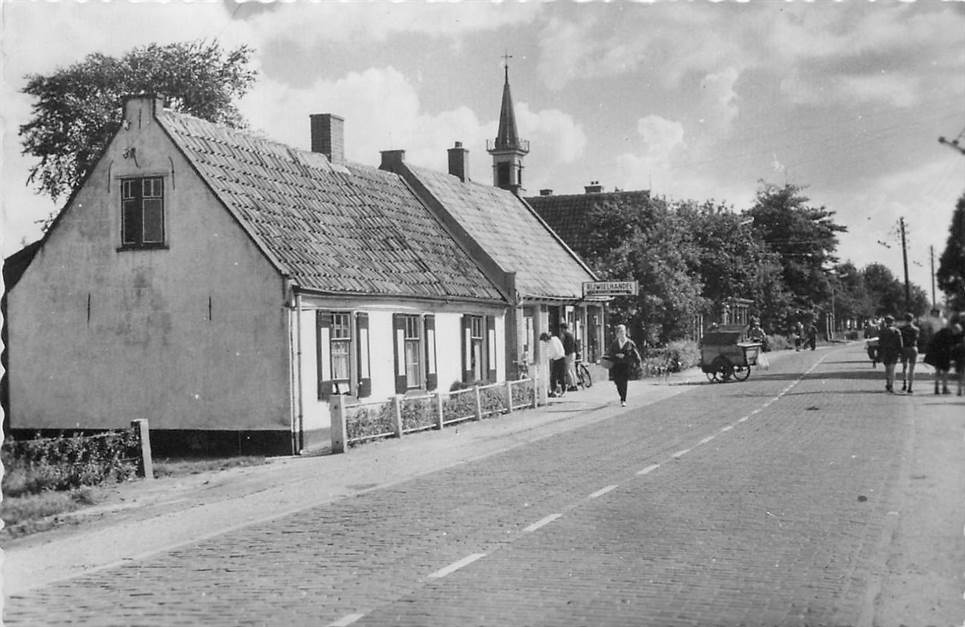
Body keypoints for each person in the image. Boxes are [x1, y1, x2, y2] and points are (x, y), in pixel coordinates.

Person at [606, 324, 640, 407]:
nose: (622, 334)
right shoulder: (614, 343)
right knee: (617, 382)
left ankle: (623, 399)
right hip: (616, 365)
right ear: (617, 334)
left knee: (624, 382)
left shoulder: (629, 343)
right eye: (620, 332)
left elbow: (635, 355)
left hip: (625, 365)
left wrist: (638, 364)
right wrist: (615, 355)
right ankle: (621, 395)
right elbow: (610, 353)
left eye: (623, 331)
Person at [924, 318, 957, 395]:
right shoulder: (950, 333)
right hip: (946, 355)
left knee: (937, 371)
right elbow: (952, 345)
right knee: (945, 372)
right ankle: (944, 388)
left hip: (937, 355)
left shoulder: (937, 333)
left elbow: (931, 344)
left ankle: (936, 388)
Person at [876, 314, 903, 393]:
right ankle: (891, 384)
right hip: (894, 352)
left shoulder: (882, 331)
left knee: (887, 368)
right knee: (892, 368)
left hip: (885, 351)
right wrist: (901, 352)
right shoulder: (897, 331)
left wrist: (879, 353)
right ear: (893, 322)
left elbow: (880, 343)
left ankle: (888, 383)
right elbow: (900, 343)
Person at [539, 332, 567, 397]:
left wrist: (548, 357)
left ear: (546, 338)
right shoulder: (555, 338)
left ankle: (558, 390)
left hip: (558, 359)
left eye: (544, 340)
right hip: (560, 358)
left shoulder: (552, 342)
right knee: (559, 376)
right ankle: (558, 390)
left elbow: (555, 352)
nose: (544, 342)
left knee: (555, 376)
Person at [898, 313, 920, 393]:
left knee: (904, 367)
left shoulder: (901, 329)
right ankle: (910, 387)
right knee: (912, 369)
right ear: (912, 319)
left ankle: (904, 383)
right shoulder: (916, 329)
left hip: (904, 348)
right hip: (913, 348)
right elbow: (917, 338)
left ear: (905, 319)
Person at [559, 322, 578, 392]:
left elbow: (566, 346)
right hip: (573, 353)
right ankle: (575, 384)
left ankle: (572, 385)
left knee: (568, 370)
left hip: (569, 354)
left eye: (561, 329)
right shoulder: (571, 335)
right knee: (572, 370)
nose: (561, 331)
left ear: (563, 329)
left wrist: (565, 354)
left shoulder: (566, 335)